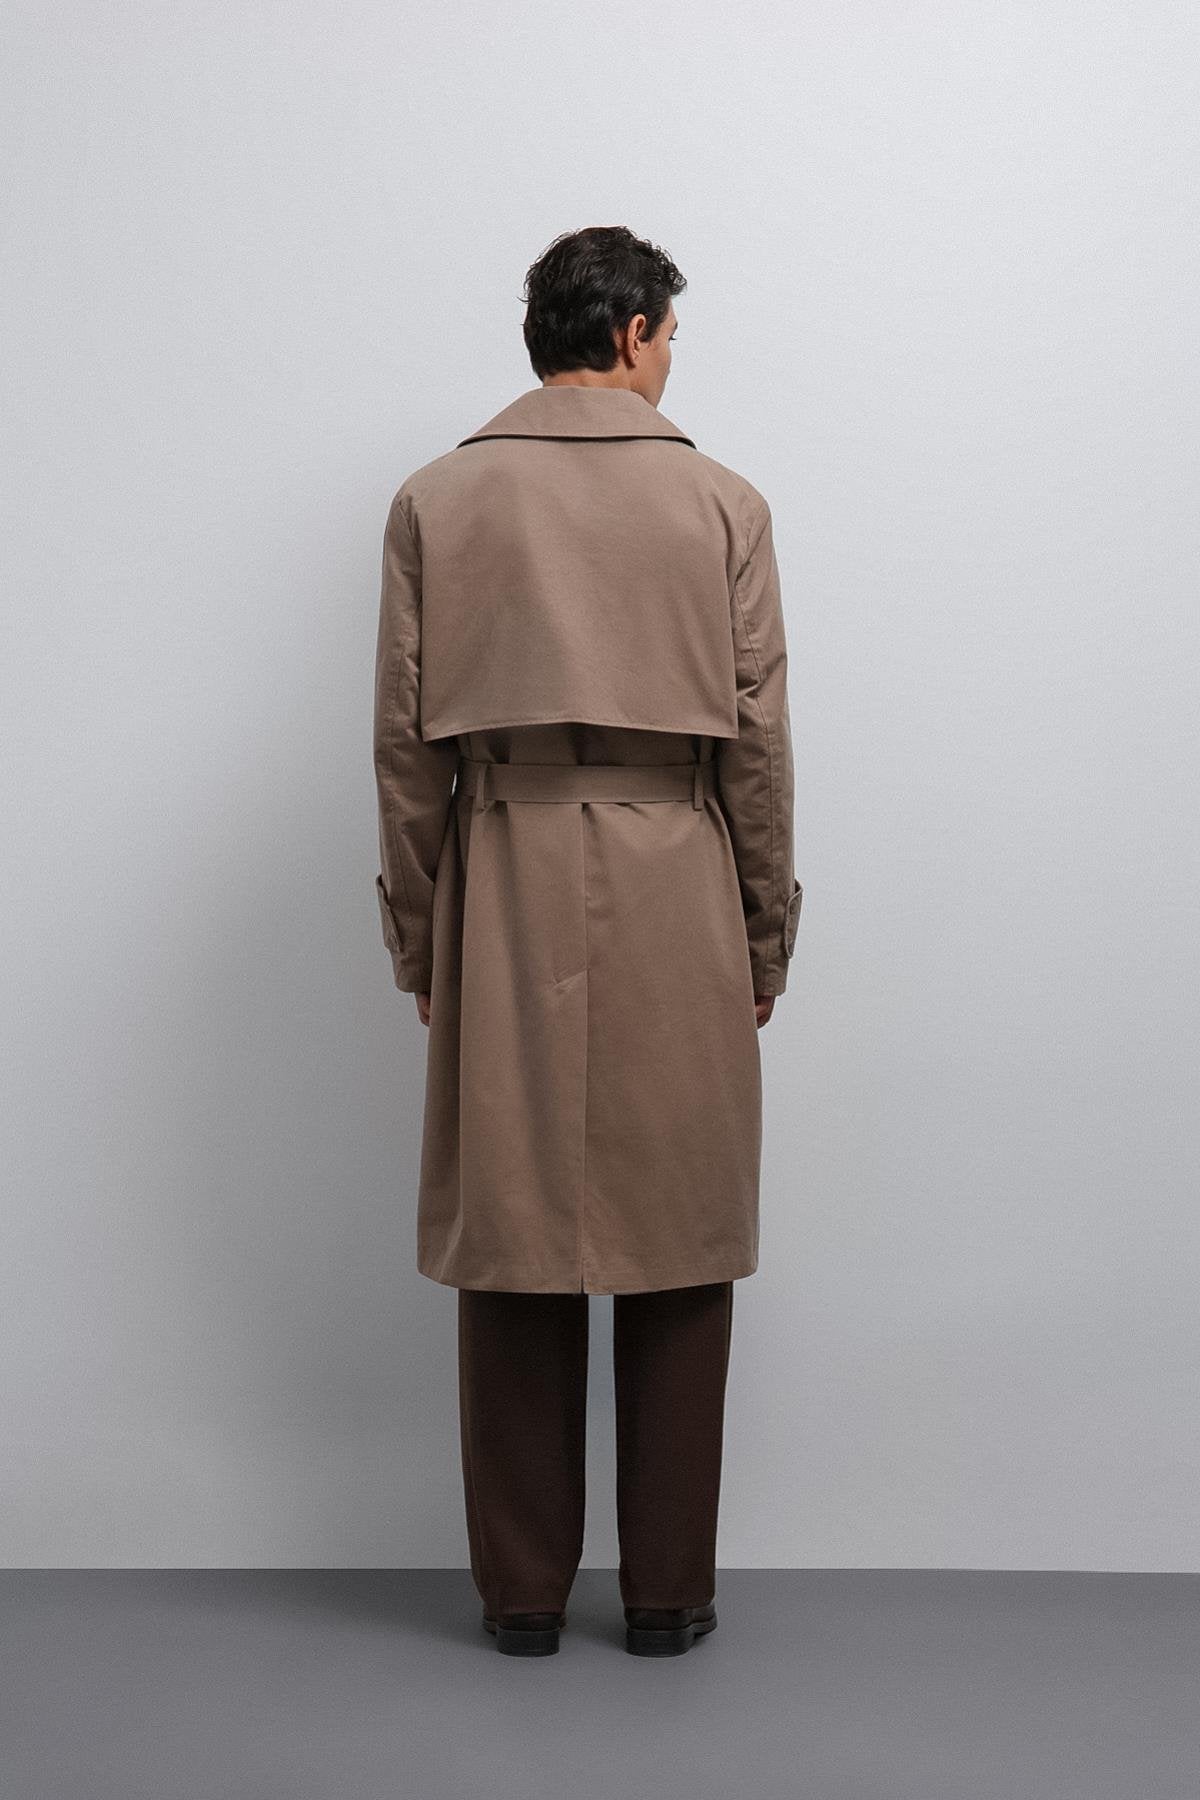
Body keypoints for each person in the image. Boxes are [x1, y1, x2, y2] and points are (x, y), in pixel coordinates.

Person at [372, 224, 801, 1657]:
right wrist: (763, 935)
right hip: (679, 871)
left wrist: (423, 944)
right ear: (629, 333)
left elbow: (402, 757)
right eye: (669, 337)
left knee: (513, 1238)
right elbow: (757, 748)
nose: (672, 362)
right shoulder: (723, 504)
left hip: (502, 871)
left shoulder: (437, 500)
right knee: (680, 1237)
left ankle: (521, 1600)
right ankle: (668, 1596)